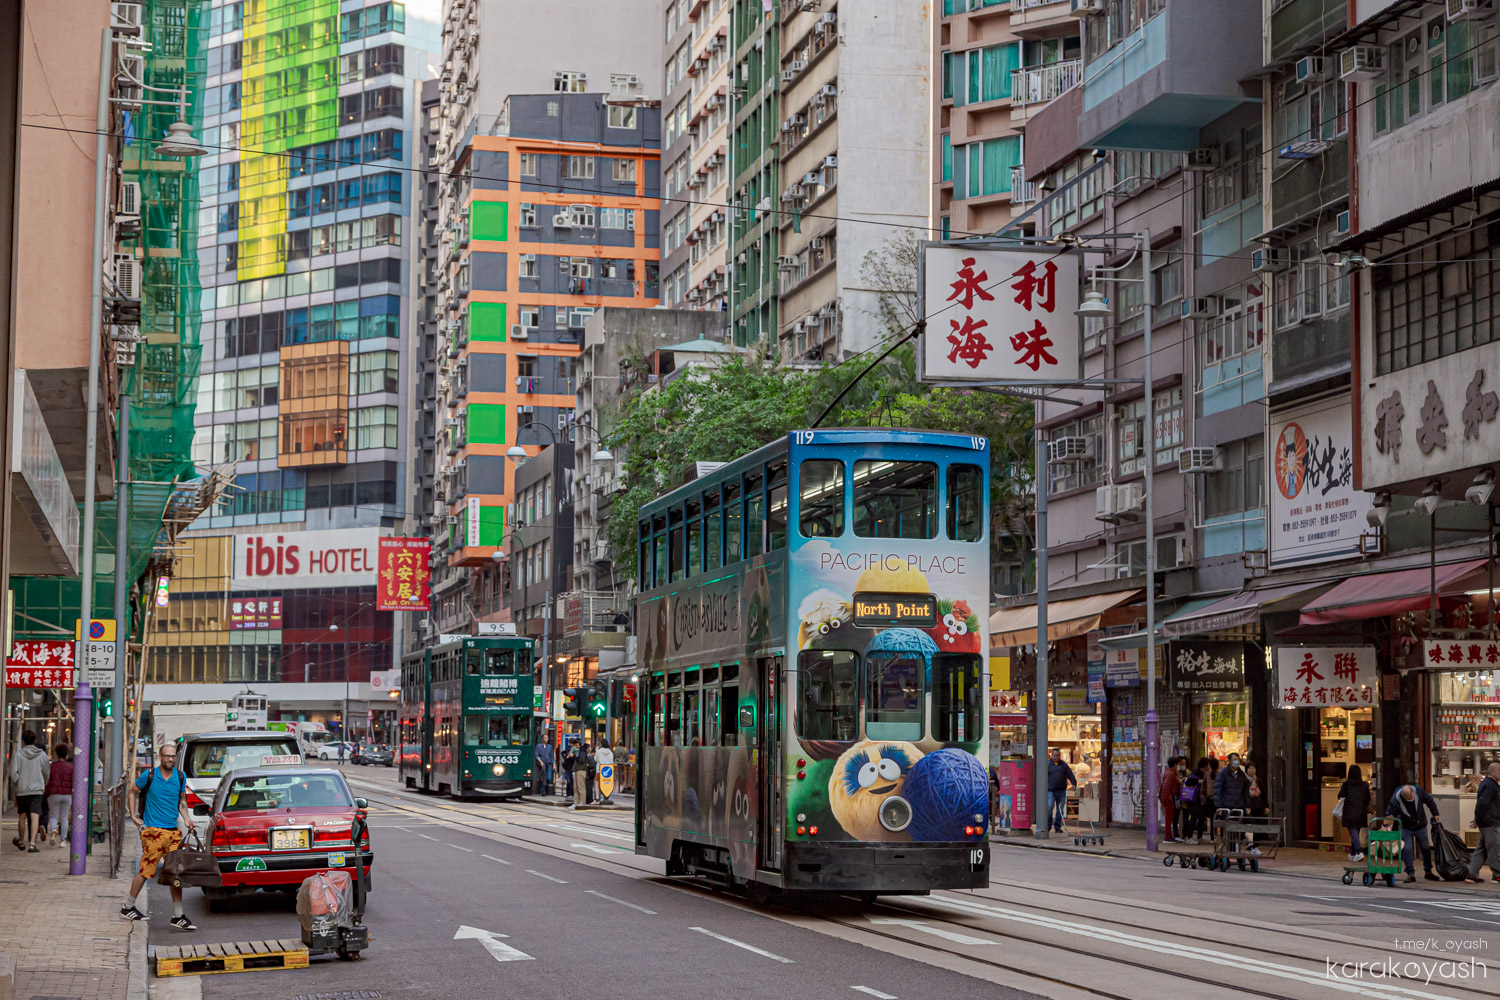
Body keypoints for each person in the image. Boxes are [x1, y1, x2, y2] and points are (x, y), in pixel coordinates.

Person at [121, 744, 197, 929]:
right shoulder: (149, 775)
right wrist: (133, 816)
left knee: (175, 874)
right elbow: (132, 791)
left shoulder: (180, 776)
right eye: (167, 756)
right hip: (153, 832)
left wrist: (187, 818)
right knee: (146, 871)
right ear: (160, 757)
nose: (170, 759)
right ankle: (128, 907)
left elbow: (182, 801)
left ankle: (178, 916)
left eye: (173, 756)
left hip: (173, 833)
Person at [1388, 783, 1443, 883]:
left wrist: (1435, 813)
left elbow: (1430, 801)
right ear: (1403, 797)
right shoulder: (1396, 799)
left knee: (1425, 848)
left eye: (1412, 798)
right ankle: (1410, 873)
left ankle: (1428, 871)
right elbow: (1389, 812)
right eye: (1408, 800)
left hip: (1420, 825)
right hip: (1405, 826)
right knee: (1407, 849)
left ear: (1413, 792)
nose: (1411, 801)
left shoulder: (1419, 791)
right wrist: (1387, 826)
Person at [10, 730, 50, 853]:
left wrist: (18, 783)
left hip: (22, 790)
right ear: (34, 740)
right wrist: (43, 782)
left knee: (22, 816)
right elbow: (46, 772)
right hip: (37, 789)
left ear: (23, 741)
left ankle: (21, 841)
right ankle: (32, 844)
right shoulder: (42, 755)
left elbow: (13, 774)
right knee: (35, 815)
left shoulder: (18, 754)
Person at [1468, 762, 1500, 883]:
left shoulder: (1487, 783)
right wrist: (1476, 819)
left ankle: (1472, 874)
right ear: (1492, 771)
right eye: (1499, 770)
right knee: (1495, 849)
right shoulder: (1490, 785)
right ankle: (1497, 875)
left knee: (1481, 849)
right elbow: (1482, 803)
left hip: (1486, 822)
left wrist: (1477, 819)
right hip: (1491, 823)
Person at [1338, 765, 1372, 863]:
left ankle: (1358, 851)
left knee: (1353, 832)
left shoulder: (1346, 785)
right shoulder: (1364, 785)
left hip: (1349, 811)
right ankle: (1352, 853)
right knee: (1355, 832)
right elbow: (1368, 799)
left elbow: (1340, 796)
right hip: (1361, 812)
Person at [45, 743, 74, 848]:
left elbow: (48, 781)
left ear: (56, 754)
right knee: (64, 817)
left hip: (54, 794)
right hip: (67, 795)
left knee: (53, 816)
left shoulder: (51, 766)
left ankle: (53, 830)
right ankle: (63, 840)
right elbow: (73, 782)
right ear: (66, 754)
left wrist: (47, 793)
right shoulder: (71, 767)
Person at [1046, 747, 1076, 834]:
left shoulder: (1063, 765)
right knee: (1049, 807)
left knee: (1060, 809)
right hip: (1050, 790)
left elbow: (1070, 774)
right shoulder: (1048, 765)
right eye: (1055, 755)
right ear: (1052, 755)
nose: (1057, 757)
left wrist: (1073, 783)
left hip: (1061, 790)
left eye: (1058, 755)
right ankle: (1048, 826)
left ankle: (1057, 827)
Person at [1160, 756, 1182, 843]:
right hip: (1169, 799)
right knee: (1169, 818)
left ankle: (1169, 835)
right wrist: (1163, 801)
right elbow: (1166, 788)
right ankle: (1168, 836)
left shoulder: (1171, 773)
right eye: (1178, 764)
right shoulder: (1170, 774)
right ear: (1175, 765)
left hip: (1170, 798)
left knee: (1170, 817)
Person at [569, 742, 590, 809]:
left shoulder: (583, 751)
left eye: (576, 745)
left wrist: (574, 756)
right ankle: (576, 803)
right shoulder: (579, 751)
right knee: (576, 788)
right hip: (577, 770)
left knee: (580, 787)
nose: (575, 746)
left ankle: (582, 802)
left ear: (579, 744)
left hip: (581, 770)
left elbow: (581, 760)